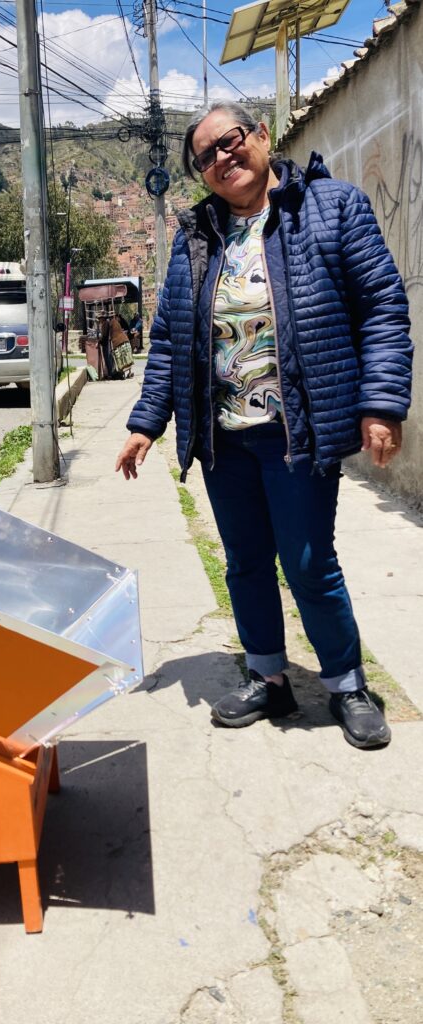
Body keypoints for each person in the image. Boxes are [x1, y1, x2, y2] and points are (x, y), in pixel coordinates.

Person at [115, 101, 413, 750]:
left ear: (261, 136)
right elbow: (169, 340)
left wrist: (381, 405)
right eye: (206, 156)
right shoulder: (198, 236)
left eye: (231, 141)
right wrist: (147, 423)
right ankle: (268, 676)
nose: (222, 158)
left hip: (296, 433)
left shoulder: (332, 208)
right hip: (224, 438)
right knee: (247, 564)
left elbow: (382, 308)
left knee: (309, 563)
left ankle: (346, 684)